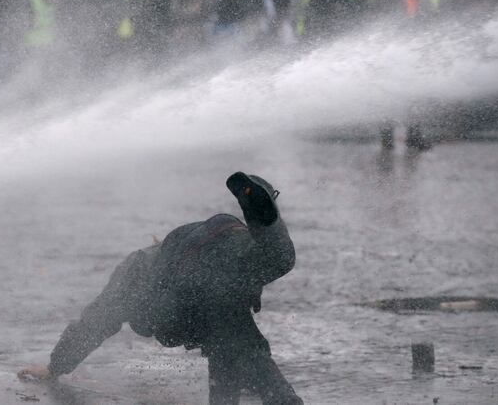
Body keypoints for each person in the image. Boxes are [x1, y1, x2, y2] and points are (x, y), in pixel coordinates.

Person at [19, 172, 303, 405]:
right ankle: (265, 221)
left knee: (233, 335)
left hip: (202, 264)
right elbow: (227, 352)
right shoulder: (202, 287)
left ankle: (264, 222)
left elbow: (97, 319)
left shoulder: (137, 271)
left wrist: (54, 368)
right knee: (240, 326)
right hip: (227, 243)